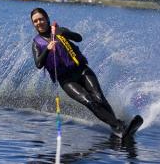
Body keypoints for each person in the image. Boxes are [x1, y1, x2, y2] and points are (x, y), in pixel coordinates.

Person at [30, 7, 125, 136]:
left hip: (81, 70)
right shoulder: (36, 43)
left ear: (46, 19)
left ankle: (117, 125)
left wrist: (62, 33)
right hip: (66, 80)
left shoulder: (60, 31)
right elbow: (38, 64)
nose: (38, 23)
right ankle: (117, 125)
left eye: (41, 19)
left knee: (99, 98)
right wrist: (47, 49)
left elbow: (78, 38)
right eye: (35, 21)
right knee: (88, 101)